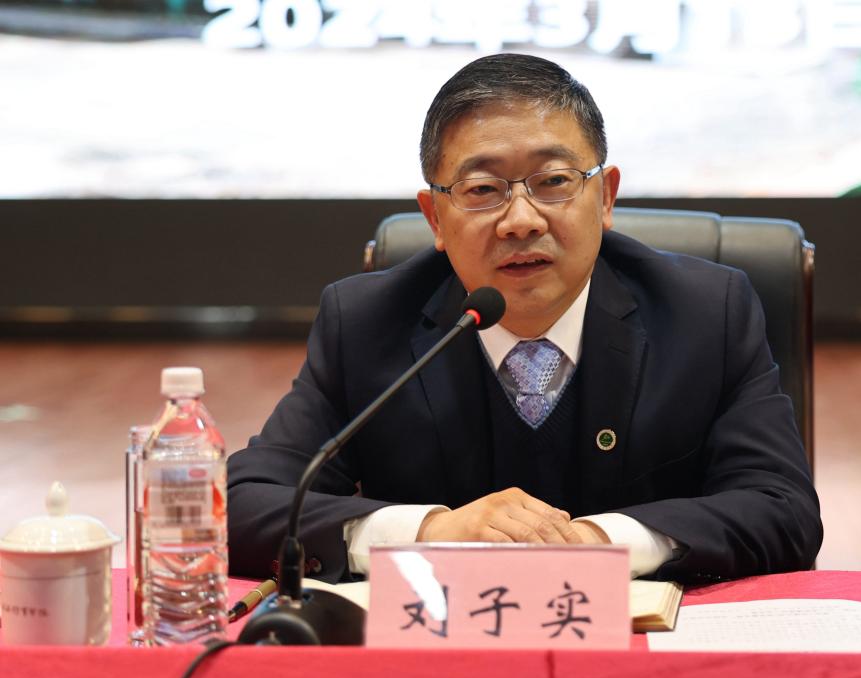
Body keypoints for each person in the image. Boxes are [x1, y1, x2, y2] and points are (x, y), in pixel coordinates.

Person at [227, 53, 822, 585]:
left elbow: (784, 509)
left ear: (605, 197)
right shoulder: (364, 323)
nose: (521, 221)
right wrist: (430, 532)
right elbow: (242, 503)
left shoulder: (706, 313)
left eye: (554, 182)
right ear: (435, 218)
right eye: (483, 189)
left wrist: (603, 543)